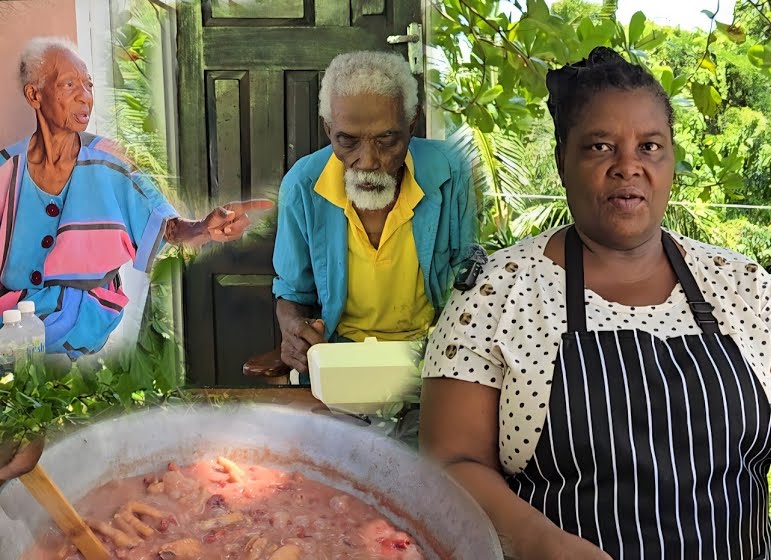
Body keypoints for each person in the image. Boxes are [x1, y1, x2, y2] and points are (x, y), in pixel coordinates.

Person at [419, 47, 771, 560]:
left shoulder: (739, 284)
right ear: (563, 162)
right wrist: (536, 548)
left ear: (670, 162)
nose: (627, 167)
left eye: (649, 146)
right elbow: (449, 462)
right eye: (599, 147)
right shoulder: (498, 293)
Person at [0, 38, 271, 358]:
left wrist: (202, 227)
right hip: (12, 314)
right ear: (35, 94)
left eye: (88, 85)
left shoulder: (109, 160)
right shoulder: (7, 168)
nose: (84, 97)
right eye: (69, 84)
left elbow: (167, 228)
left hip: (85, 311)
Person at [271, 51, 477, 374]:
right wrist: (294, 329)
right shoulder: (301, 185)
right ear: (328, 130)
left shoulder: (451, 172)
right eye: (347, 141)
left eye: (386, 138)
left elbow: (471, 282)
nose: (367, 161)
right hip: (341, 363)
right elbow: (291, 292)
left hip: (429, 361)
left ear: (411, 125)